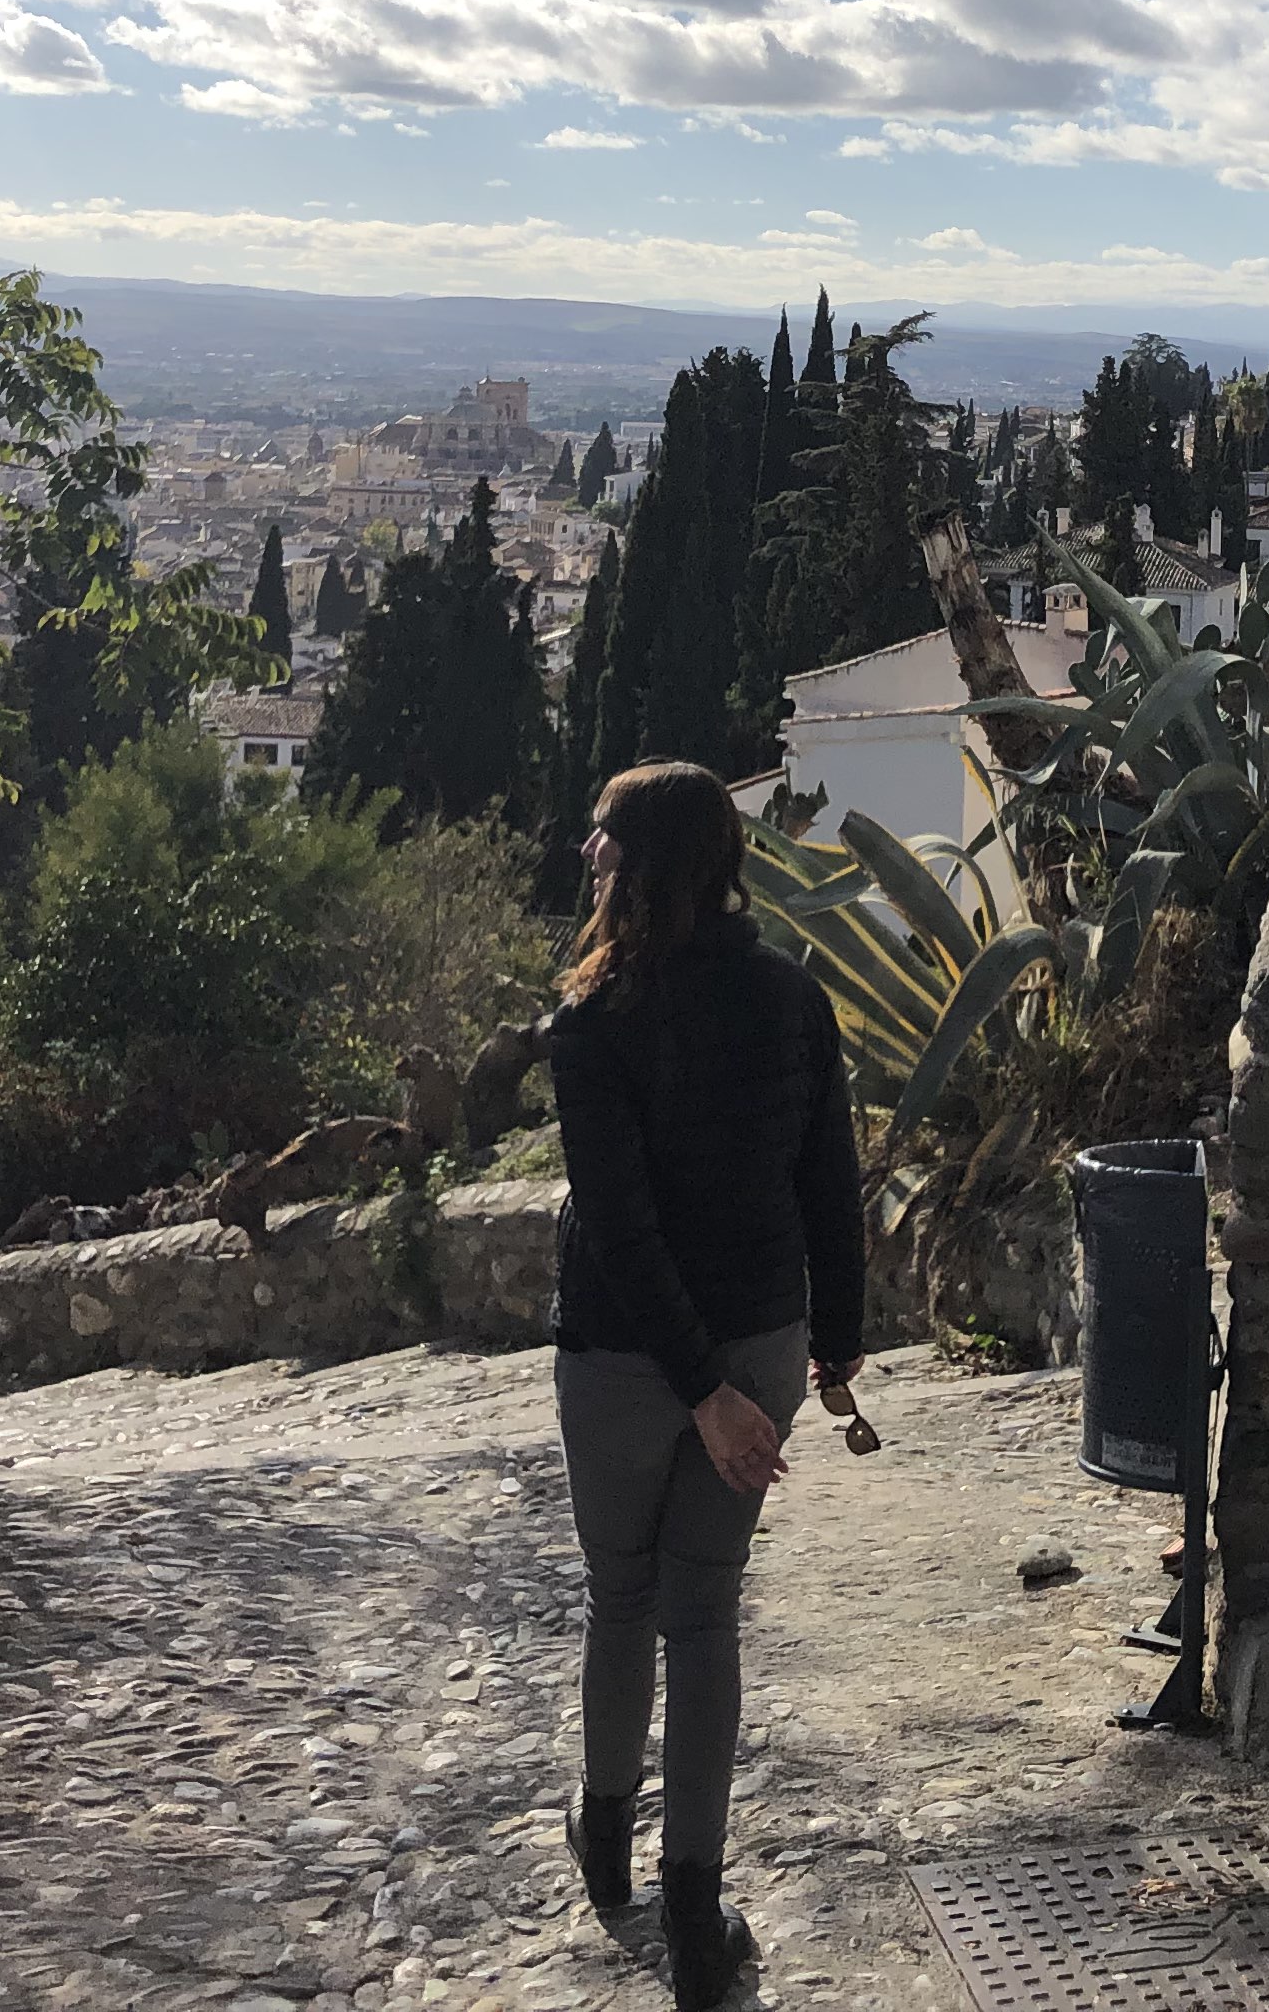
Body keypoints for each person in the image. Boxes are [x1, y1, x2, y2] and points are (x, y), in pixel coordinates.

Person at [546, 760, 866, 2008]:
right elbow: (829, 1183)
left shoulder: (592, 1020)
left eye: (604, 839)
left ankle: (606, 1843)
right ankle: (695, 1918)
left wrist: (690, 1387)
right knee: (705, 1616)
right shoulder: (793, 997)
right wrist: (832, 1345)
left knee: (620, 1599)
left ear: (645, 860)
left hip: (619, 1358)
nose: (589, 856)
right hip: (756, 1346)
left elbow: (619, 1225)